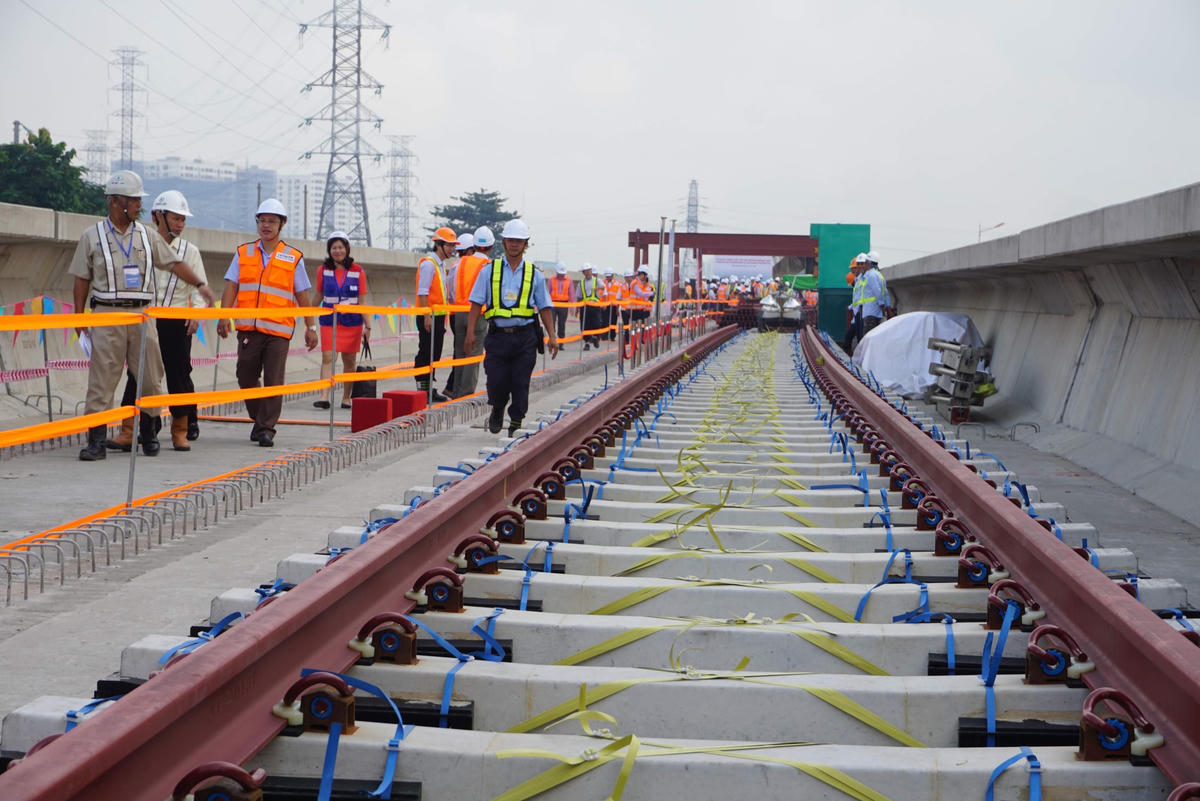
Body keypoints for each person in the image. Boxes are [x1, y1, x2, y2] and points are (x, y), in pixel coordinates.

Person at [70, 171, 215, 461]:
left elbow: (174, 263)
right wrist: (79, 317)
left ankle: (148, 434)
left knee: (150, 378)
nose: (139, 206)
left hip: (141, 315)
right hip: (106, 316)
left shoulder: (147, 236)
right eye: (134, 200)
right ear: (115, 201)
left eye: (139, 200)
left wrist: (200, 285)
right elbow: (81, 279)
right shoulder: (92, 236)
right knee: (102, 380)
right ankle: (96, 441)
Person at [106, 189, 207, 453]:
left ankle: (180, 431)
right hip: (147, 318)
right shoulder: (142, 244)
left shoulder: (190, 251)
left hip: (176, 320)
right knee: (137, 375)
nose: (180, 224)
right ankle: (129, 431)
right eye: (175, 218)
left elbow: (198, 285)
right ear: (157, 216)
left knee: (179, 376)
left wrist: (196, 313)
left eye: (183, 219)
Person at [216, 199, 318, 448]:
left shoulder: (293, 258)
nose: (266, 225)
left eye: (272, 221)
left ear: (281, 224)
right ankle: (259, 418)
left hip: (278, 331)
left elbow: (302, 294)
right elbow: (232, 285)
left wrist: (310, 327)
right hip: (249, 328)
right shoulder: (244, 253)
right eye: (262, 220)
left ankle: (266, 429)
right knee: (245, 375)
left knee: (273, 380)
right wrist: (223, 316)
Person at [463, 219, 559, 436]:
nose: (514, 244)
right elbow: (476, 303)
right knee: (496, 380)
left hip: (525, 338)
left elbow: (544, 307)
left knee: (520, 381)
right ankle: (497, 408)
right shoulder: (489, 271)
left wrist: (552, 336)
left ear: (526, 244)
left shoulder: (534, 274)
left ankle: (516, 420)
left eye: (519, 241)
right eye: (511, 240)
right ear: (504, 242)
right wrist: (469, 333)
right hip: (497, 337)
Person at [313, 231, 369, 410]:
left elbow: (362, 302)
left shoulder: (358, 271)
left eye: (340, 247)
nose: (337, 251)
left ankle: (346, 397)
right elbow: (319, 295)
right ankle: (324, 396)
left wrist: (368, 326)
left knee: (349, 361)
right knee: (328, 356)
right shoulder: (323, 270)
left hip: (352, 322)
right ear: (329, 250)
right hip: (329, 321)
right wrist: (306, 314)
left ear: (347, 249)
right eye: (333, 248)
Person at [446, 226, 493, 398]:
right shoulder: (488, 265)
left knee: (459, 352)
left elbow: (451, 287)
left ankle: (456, 390)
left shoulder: (461, 262)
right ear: (491, 246)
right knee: (473, 353)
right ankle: (466, 394)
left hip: (458, 312)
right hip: (478, 314)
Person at [415, 227, 457, 402]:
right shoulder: (428, 264)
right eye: (449, 245)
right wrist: (426, 316)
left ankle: (428, 389)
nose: (452, 249)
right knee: (426, 352)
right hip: (429, 317)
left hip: (438, 317)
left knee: (434, 354)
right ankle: (422, 390)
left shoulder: (439, 265)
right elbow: (423, 292)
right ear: (439, 244)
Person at [577, 263, 603, 351]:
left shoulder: (597, 280)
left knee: (596, 323)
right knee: (585, 325)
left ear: (591, 271)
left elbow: (603, 287)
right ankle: (587, 342)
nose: (587, 273)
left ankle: (596, 337)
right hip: (585, 307)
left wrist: (597, 288)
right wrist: (577, 308)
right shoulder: (581, 283)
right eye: (585, 271)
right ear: (583, 273)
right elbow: (579, 296)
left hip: (595, 306)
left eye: (589, 271)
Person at [548, 263, 574, 340]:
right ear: (557, 272)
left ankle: (561, 339)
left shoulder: (569, 280)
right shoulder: (551, 280)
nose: (561, 275)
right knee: (551, 322)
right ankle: (552, 339)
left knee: (562, 323)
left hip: (564, 305)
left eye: (563, 274)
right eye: (560, 273)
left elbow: (571, 294)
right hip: (553, 304)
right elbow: (548, 292)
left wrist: (572, 307)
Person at [603, 268, 623, 341]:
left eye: (609, 276)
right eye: (607, 276)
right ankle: (604, 335)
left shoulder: (618, 284)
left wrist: (618, 308)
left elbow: (620, 296)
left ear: (612, 276)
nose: (608, 278)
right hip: (605, 305)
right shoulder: (603, 283)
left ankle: (612, 336)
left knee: (613, 321)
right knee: (605, 321)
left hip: (614, 306)